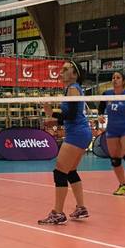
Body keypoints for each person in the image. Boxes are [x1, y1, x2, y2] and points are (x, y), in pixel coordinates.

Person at [39, 61, 90, 225]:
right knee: (70, 171)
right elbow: (72, 116)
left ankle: (58, 213)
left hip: (77, 134)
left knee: (60, 172)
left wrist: (51, 113)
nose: (61, 72)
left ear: (74, 74)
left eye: (66, 69)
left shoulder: (72, 88)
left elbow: (72, 115)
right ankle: (81, 208)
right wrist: (55, 121)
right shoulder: (72, 88)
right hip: (81, 132)